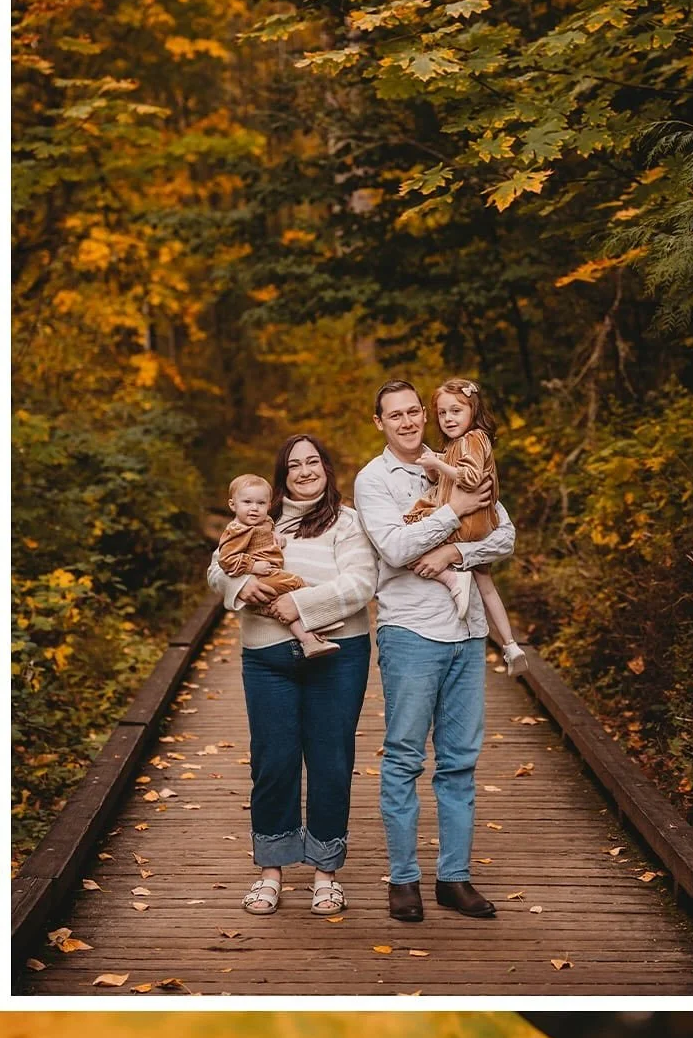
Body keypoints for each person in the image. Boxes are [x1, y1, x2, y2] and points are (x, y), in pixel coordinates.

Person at [353, 378, 516, 924]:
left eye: (413, 411)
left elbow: (504, 536)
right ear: (379, 423)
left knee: (460, 762)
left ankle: (454, 878)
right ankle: (404, 880)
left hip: (468, 632)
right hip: (411, 632)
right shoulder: (374, 480)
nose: (406, 421)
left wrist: (451, 551)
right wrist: (455, 512)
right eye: (393, 415)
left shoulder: (459, 454)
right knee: (403, 758)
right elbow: (395, 549)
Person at [207, 435, 378, 917]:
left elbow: (361, 584)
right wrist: (246, 585)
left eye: (313, 462)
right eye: (294, 464)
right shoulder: (259, 515)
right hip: (265, 657)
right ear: (282, 473)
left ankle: (326, 874)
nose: (305, 471)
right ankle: (271, 872)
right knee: (273, 761)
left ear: (326, 467)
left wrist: (296, 603)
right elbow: (217, 571)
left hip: (339, 654)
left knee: (330, 761)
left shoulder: (349, 522)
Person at [405, 378, 528, 676]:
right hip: (479, 525)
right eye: (443, 413)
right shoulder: (456, 445)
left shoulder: (473, 439)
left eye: (456, 411)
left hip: (466, 521)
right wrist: (433, 465)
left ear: (473, 410)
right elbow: (443, 481)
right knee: (486, 585)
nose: (448, 419)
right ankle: (511, 645)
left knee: (407, 536)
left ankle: (451, 578)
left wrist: (439, 463)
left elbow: (470, 479)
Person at [217, 472, 340, 659]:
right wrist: (252, 567)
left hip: (271, 574)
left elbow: (265, 531)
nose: (254, 508)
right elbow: (226, 560)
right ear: (233, 505)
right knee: (296, 583)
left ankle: (309, 641)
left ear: (269, 505)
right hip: (262, 576)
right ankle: (317, 617)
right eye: (247, 502)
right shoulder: (237, 530)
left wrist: (275, 536)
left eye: (260, 503)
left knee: (283, 608)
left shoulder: (264, 521)